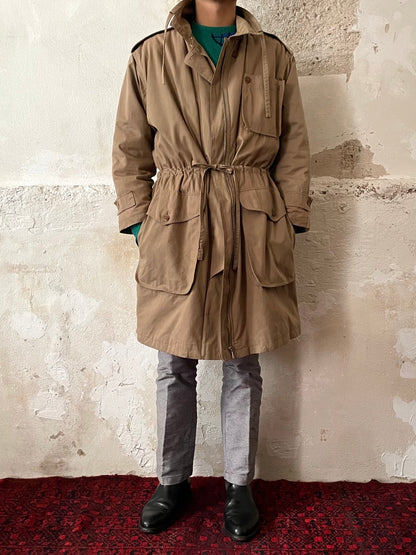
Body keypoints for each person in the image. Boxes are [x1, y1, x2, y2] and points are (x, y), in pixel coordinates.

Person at [112, 0, 312, 543]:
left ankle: (239, 485)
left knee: (244, 358)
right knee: (173, 360)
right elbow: (130, 151)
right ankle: (171, 482)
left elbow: (294, 146)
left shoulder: (273, 56)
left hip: (252, 223)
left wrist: (289, 222)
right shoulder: (151, 55)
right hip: (177, 223)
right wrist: (141, 225)